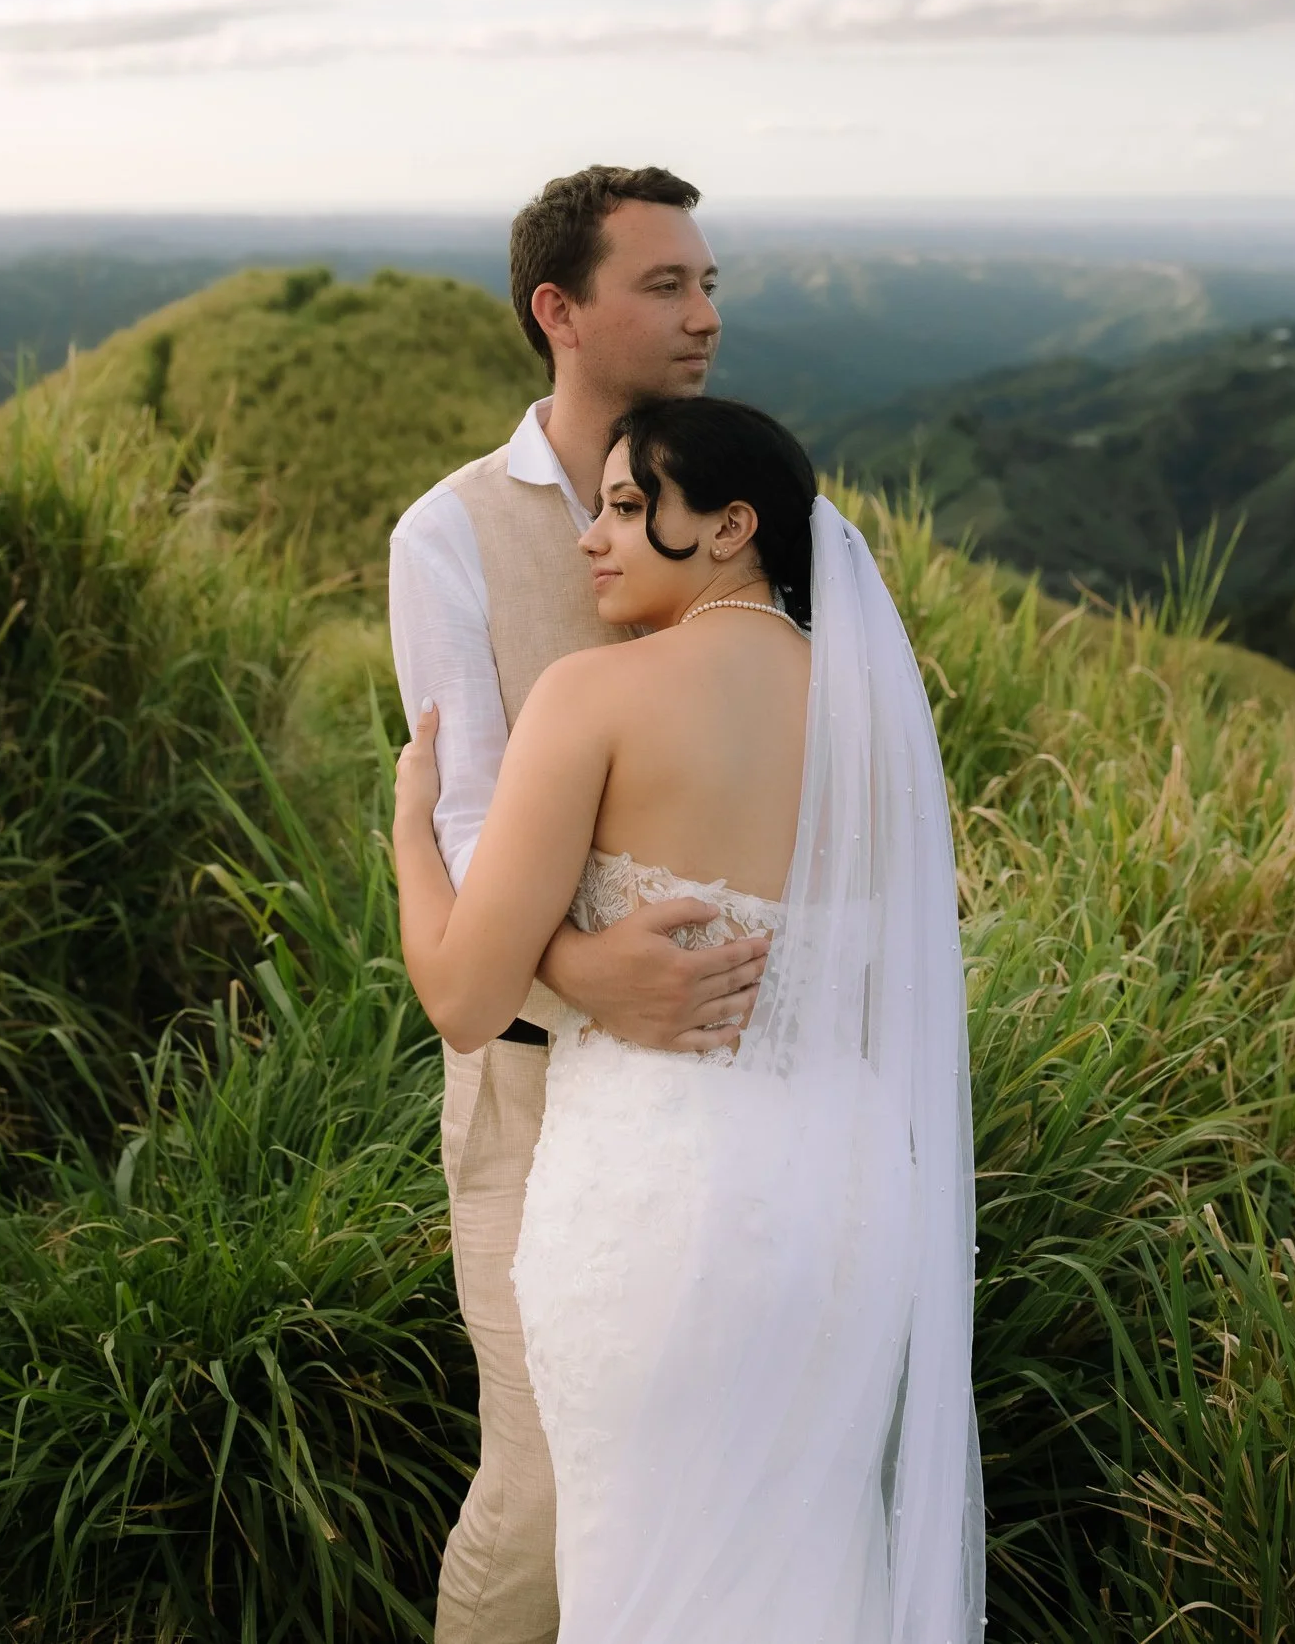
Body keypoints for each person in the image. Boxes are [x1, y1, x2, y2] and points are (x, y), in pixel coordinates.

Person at [394, 395, 985, 1643]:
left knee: (643, 1579)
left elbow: (463, 995)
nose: (589, 538)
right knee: (808, 1567)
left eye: (624, 505)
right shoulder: (874, 715)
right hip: (850, 1208)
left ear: (729, 526)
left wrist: (411, 834)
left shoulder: (591, 695)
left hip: (659, 1209)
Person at [388, 165, 773, 1644]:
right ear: (560, 310)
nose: (705, 314)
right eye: (667, 285)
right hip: (534, 1087)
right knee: (544, 1481)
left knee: (691, 1470)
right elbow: (469, 809)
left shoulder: (749, 501)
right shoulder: (453, 532)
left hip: (730, 1084)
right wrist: (579, 971)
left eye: (709, 282)